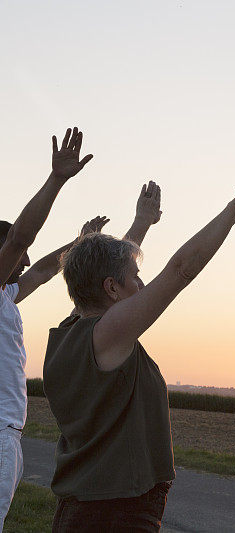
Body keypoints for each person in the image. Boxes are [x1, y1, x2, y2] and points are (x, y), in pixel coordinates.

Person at [43, 155, 235, 532]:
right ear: (111, 289)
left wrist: (140, 224)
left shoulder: (69, 334)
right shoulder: (109, 335)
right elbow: (181, 269)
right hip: (115, 514)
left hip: (85, 509)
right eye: (135, 278)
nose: (141, 286)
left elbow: (103, 271)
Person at [0, 128, 93, 529]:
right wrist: (56, 180)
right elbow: (23, 238)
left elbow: (39, 270)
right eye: (14, 256)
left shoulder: (7, 294)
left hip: (8, 433)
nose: (23, 262)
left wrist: (80, 242)